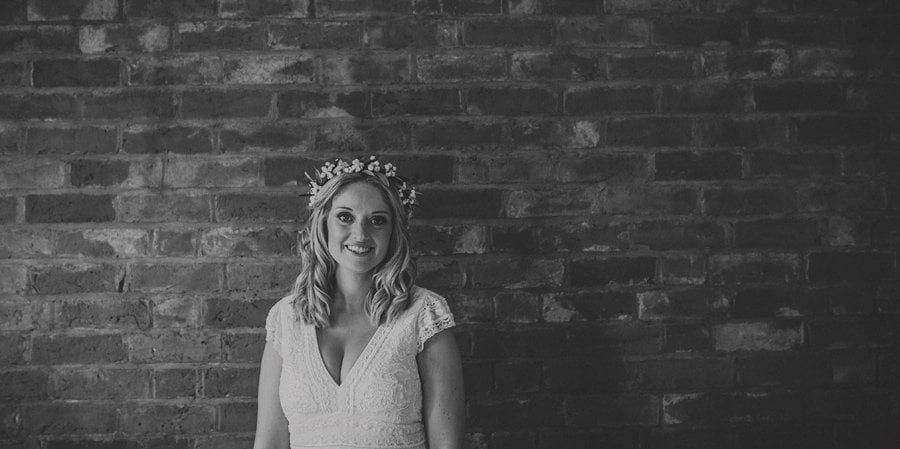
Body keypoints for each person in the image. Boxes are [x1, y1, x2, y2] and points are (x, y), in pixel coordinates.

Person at [253, 156, 465, 449]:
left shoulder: (424, 315)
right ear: (323, 223)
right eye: (345, 217)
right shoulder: (286, 318)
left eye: (377, 220)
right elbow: (269, 443)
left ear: (393, 232)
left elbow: (447, 445)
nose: (361, 234)